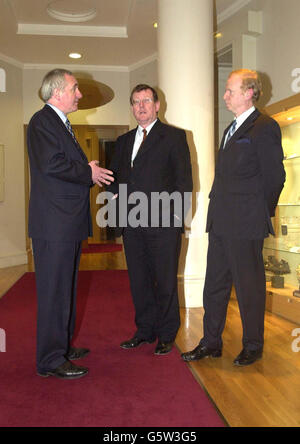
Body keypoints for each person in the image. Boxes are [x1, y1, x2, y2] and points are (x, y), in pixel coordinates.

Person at [182, 69, 285, 366]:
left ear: (249, 92)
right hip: (222, 222)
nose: (225, 95)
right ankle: (211, 342)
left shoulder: (264, 126)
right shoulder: (231, 128)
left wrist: (259, 213)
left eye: (230, 90)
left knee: (248, 288)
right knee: (214, 284)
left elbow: (275, 177)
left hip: (246, 223)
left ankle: (253, 345)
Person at [27, 68, 114, 379]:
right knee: (54, 291)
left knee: (66, 289)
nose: (79, 95)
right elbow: (51, 165)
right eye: (75, 89)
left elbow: (63, 167)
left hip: (64, 223)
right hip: (54, 225)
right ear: (57, 92)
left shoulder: (59, 124)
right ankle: (51, 359)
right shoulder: (42, 121)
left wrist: (86, 170)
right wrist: (87, 172)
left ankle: (61, 345)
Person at [107, 84, 193, 355]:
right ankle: (145, 330)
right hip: (132, 223)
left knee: (165, 280)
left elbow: (184, 182)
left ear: (157, 105)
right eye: (135, 102)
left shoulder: (174, 137)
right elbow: (115, 180)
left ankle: (167, 333)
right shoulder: (122, 142)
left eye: (146, 101)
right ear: (132, 107)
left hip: (163, 224)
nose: (141, 106)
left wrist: (176, 218)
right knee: (139, 280)